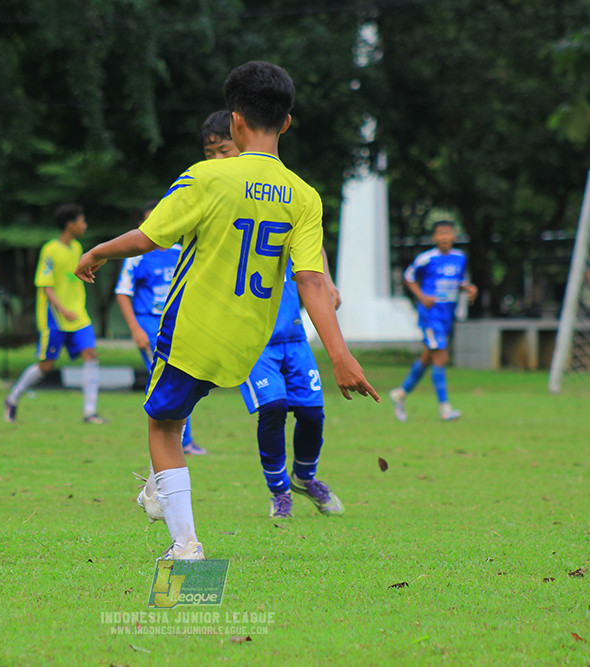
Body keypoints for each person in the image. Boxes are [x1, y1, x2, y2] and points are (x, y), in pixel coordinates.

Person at [75, 61, 379, 560]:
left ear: (234, 121)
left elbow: (150, 237)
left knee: (162, 427)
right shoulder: (304, 196)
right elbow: (311, 282)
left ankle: (185, 543)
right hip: (247, 343)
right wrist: (341, 356)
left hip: (191, 328)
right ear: (285, 122)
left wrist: (98, 252)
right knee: (176, 420)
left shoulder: (206, 177)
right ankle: (162, 486)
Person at [201, 110, 345, 520]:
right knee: (274, 408)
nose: (216, 159)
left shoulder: (280, 189)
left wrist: (327, 281)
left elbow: (310, 240)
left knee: (313, 413)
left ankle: (305, 476)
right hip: (252, 337)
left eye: (223, 149)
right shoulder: (215, 195)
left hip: (293, 332)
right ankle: (278, 490)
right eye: (209, 153)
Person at [114, 200, 207, 456]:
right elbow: (123, 292)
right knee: (164, 379)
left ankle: (176, 439)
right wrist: (135, 328)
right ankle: (179, 441)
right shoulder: (137, 256)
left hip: (177, 325)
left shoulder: (180, 252)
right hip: (149, 324)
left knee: (181, 378)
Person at [4, 203, 105, 425]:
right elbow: (45, 285)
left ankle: (90, 412)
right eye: (82, 221)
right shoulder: (50, 249)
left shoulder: (78, 247)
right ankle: (12, 398)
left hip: (78, 315)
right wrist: (62, 309)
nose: (85, 225)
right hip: (56, 318)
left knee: (91, 355)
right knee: (46, 366)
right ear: (70, 225)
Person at [389, 220, 478, 422]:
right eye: (441, 233)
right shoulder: (426, 258)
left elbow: (458, 281)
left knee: (427, 358)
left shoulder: (459, 258)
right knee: (441, 357)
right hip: (431, 315)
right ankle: (445, 408)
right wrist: (422, 297)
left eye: (448, 233)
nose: (444, 237)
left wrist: (468, 288)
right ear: (435, 237)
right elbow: (408, 276)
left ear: (454, 236)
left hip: (448, 314)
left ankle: (400, 394)